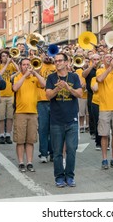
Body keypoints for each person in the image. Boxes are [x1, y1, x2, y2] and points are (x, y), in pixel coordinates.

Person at [46, 52, 82, 187]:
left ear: (67, 63)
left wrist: (67, 87)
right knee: (57, 152)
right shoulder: (51, 77)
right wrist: (57, 88)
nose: (58, 63)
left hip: (71, 119)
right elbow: (48, 96)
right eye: (56, 61)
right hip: (56, 120)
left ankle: (70, 176)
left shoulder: (74, 76)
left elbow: (79, 93)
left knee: (71, 150)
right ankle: (59, 177)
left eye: (60, 60)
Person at [12, 58, 46, 173]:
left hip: (33, 112)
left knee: (30, 140)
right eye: (24, 65)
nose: (26, 66)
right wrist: (24, 75)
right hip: (20, 112)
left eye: (28, 64)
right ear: (20, 66)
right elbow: (15, 88)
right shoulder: (17, 77)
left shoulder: (34, 78)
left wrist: (35, 72)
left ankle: (30, 162)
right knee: (20, 140)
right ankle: (21, 162)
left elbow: (44, 84)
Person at [0, 49, 19, 144]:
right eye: (3, 56)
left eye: (6, 55)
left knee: (10, 116)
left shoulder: (11, 65)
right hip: (1, 95)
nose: (5, 57)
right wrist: (6, 64)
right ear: (0, 58)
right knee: (1, 116)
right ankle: (2, 134)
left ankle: (8, 134)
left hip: (11, 95)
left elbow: (19, 70)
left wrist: (12, 61)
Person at [37, 54, 56, 163]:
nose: (47, 57)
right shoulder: (38, 65)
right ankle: (43, 153)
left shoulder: (55, 66)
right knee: (43, 129)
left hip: (53, 100)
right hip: (41, 101)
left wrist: (53, 61)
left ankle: (53, 152)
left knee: (53, 129)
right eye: (45, 55)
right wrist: (40, 60)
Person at [82, 53, 101, 141]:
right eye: (94, 59)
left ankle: (100, 131)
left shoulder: (101, 68)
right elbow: (84, 75)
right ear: (91, 60)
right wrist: (91, 66)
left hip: (101, 93)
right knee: (91, 113)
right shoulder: (89, 68)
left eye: (98, 59)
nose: (96, 61)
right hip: (91, 93)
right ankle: (93, 131)